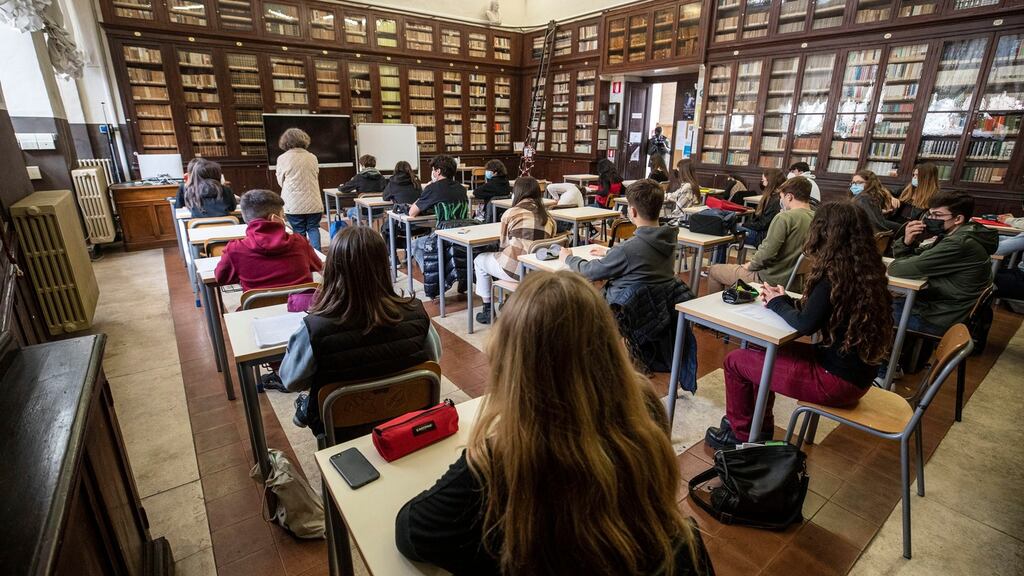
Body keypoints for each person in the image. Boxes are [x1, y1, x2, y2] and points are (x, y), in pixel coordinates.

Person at [395, 271, 714, 576]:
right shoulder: (644, 418)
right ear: (608, 347)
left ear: (512, 363)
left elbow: (411, 531)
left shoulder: (498, 461)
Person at [706, 201, 893, 448]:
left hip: (835, 381)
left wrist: (775, 303)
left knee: (734, 362)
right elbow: (816, 313)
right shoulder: (862, 271)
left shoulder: (832, 276)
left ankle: (740, 436)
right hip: (852, 373)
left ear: (824, 233)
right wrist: (783, 299)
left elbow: (805, 325)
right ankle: (757, 427)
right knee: (757, 347)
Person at [279, 226, 441, 435]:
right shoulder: (416, 312)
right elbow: (433, 359)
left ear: (334, 269)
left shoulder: (314, 328)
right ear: (383, 265)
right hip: (404, 418)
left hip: (342, 428)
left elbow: (291, 380)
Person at [887, 191, 998, 336]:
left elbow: (897, 269)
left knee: (870, 314)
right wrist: (907, 242)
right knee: (882, 304)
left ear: (958, 219)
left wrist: (904, 256)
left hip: (939, 316)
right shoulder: (960, 235)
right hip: (942, 307)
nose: (930, 219)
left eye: (937, 215)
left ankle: (890, 356)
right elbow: (916, 257)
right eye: (930, 214)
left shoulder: (958, 243)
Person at [562, 180, 677, 303]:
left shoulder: (627, 249)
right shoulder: (669, 239)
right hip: (655, 307)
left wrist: (568, 258)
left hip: (620, 310)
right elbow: (642, 257)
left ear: (632, 211)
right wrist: (610, 253)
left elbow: (589, 271)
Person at [707, 177, 815, 293]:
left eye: (781, 197)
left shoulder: (785, 218)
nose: (781, 201)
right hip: (797, 282)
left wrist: (750, 265)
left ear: (789, 197)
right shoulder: (818, 217)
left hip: (770, 279)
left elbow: (768, 252)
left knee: (714, 271)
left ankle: (711, 311)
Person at [473, 177, 556, 324]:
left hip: (517, 271)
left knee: (479, 260)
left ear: (516, 193)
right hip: (540, 271)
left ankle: (487, 309)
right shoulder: (549, 217)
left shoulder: (511, 213)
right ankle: (509, 301)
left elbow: (504, 245)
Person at [214, 189, 323, 292]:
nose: (284, 219)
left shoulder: (235, 249)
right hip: (301, 309)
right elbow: (317, 266)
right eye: (283, 215)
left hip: (258, 310)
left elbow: (220, 278)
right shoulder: (300, 242)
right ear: (274, 218)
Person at [409, 155, 471, 271]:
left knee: (414, 244)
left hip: (444, 237)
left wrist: (425, 191)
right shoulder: (461, 188)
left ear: (438, 171)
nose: (432, 172)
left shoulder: (433, 188)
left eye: (433, 170)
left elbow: (412, 212)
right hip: (462, 234)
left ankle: (430, 274)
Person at [275, 128, 323, 251]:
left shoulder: (282, 158)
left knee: (298, 230)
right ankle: (318, 256)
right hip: (314, 201)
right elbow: (315, 175)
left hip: (293, 203)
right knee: (313, 228)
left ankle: (302, 256)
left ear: (285, 142)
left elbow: (281, 181)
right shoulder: (312, 157)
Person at [740, 168, 786, 247]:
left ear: (770, 182)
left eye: (763, 181)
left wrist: (744, 225)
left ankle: (718, 260)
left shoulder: (775, 200)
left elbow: (763, 224)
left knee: (724, 228)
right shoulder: (776, 197)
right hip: (765, 234)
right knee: (727, 227)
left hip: (762, 237)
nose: (762, 184)